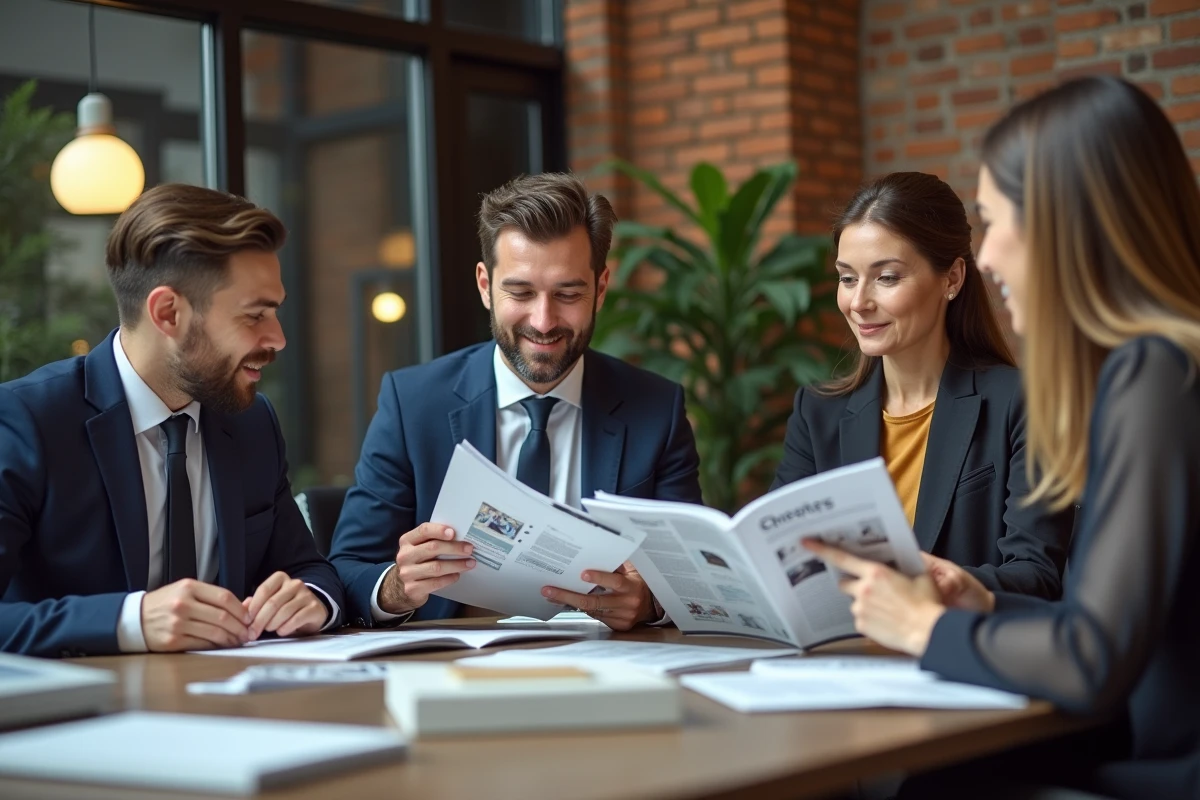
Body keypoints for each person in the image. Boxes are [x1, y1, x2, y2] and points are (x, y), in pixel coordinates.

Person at [807, 77, 1200, 800]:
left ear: (1064, 221)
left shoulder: (1155, 372)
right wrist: (985, 605)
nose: (986, 257)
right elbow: (1114, 625)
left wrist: (925, 628)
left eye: (994, 221)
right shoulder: (1163, 365)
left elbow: (1094, 659)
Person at [329, 172, 702, 631]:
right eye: (520, 293)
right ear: (485, 285)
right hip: (453, 669)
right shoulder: (413, 403)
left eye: (568, 294)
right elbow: (346, 569)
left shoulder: (656, 410)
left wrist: (649, 604)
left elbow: (690, 579)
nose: (543, 322)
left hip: (606, 668)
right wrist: (398, 586)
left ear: (601, 288)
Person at [0, 184, 344, 657]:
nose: (278, 338)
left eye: (276, 311)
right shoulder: (28, 421)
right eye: (254, 316)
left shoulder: (251, 423)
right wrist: (131, 621)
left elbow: (309, 567)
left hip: (241, 708)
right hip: (86, 716)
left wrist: (312, 599)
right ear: (168, 312)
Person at [773, 171, 1072, 598]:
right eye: (847, 278)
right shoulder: (816, 412)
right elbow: (779, 558)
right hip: (842, 655)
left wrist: (938, 585)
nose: (858, 303)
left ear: (951, 279)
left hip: (959, 650)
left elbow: (1037, 574)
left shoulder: (1021, 403)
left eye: (887, 277)